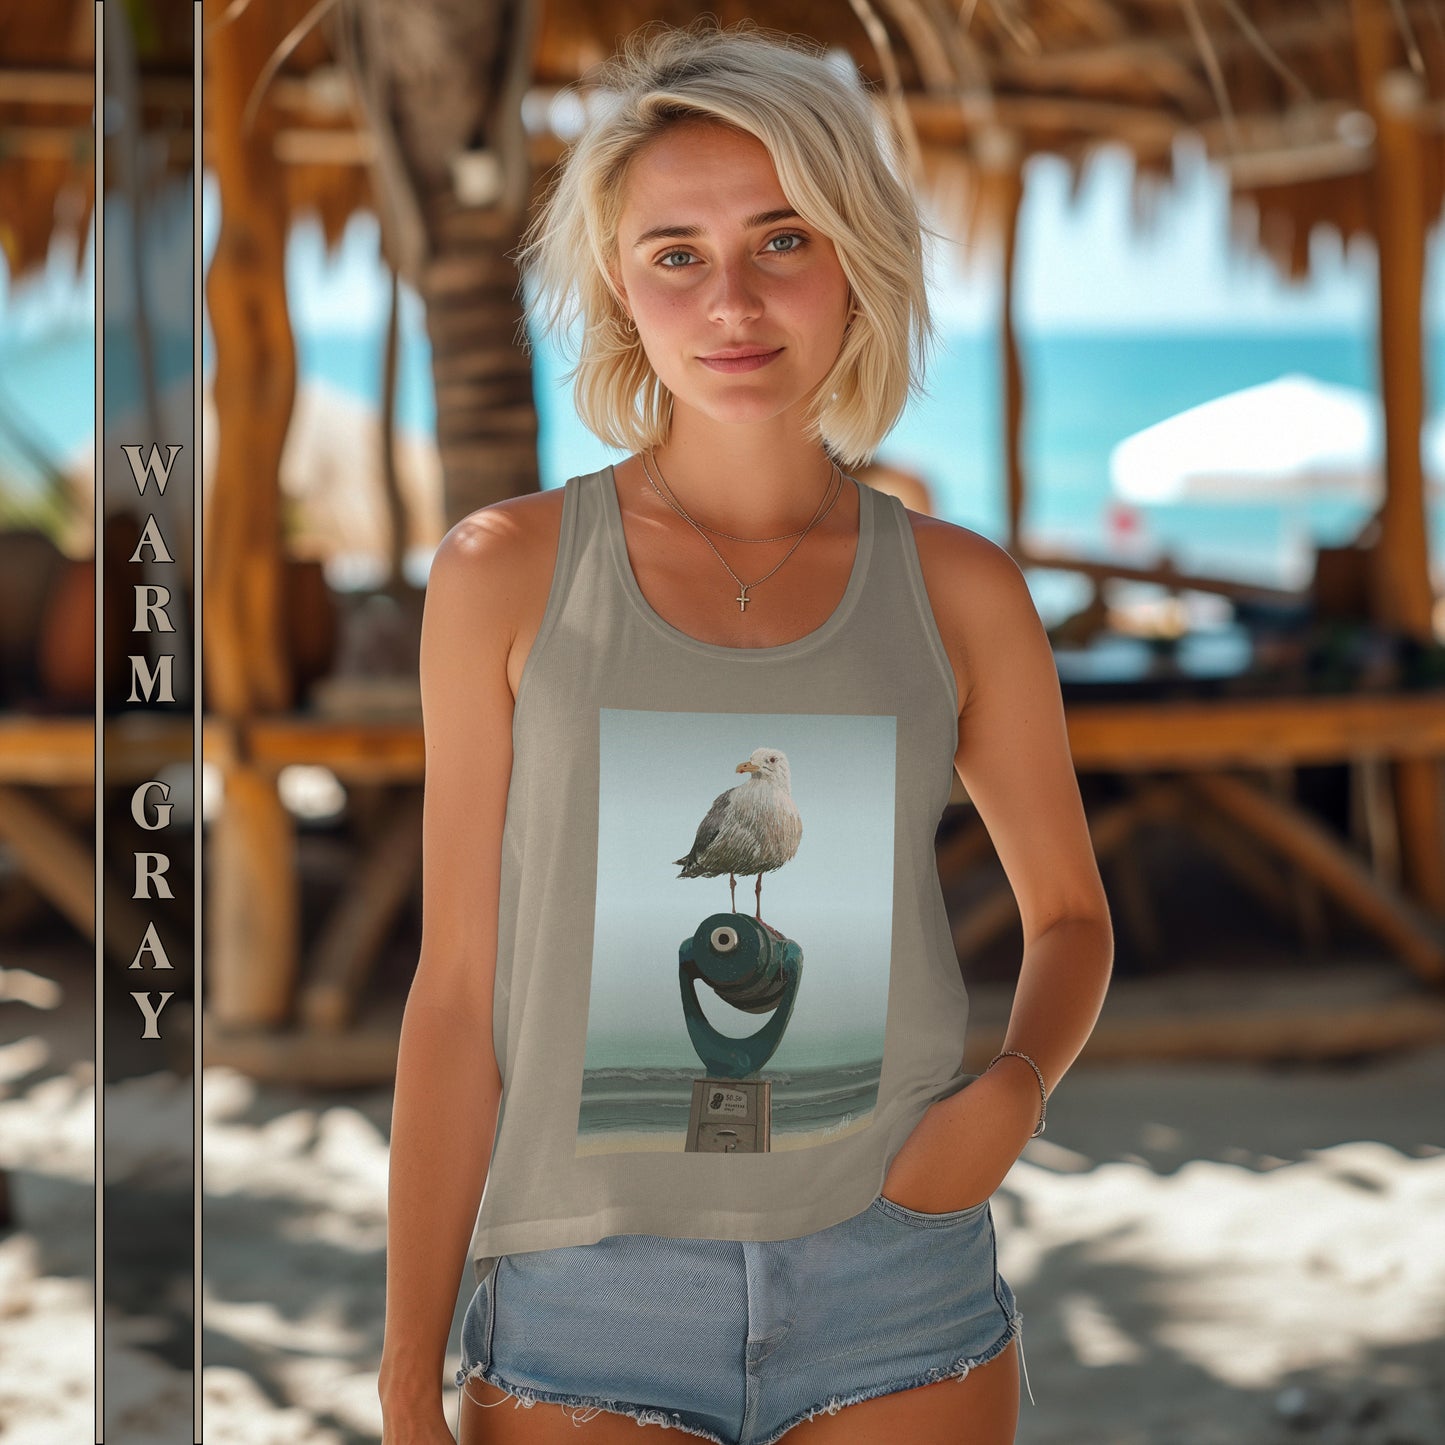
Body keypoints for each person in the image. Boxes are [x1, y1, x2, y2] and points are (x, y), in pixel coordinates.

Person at [377, 19, 1113, 1445]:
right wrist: (409, 1373)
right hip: (581, 1299)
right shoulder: (501, 573)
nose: (731, 300)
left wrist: (1014, 1091)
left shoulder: (961, 589)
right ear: (617, 288)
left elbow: (1070, 915)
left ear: (854, 260)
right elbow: (457, 995)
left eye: (782, 240)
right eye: (675, 254)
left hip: (900, 1276)